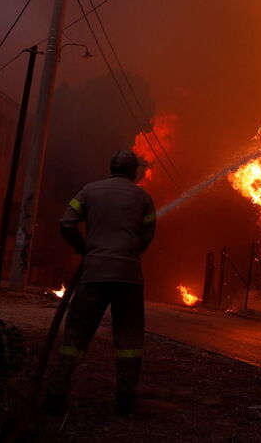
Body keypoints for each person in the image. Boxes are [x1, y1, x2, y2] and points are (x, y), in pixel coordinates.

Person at [46, 149, 157, 416]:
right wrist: (127, 253)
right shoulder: (143, 197)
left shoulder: (89, 191)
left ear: (111, 167)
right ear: (133, 171)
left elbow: (66, 223)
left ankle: (57, 393)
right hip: (129, 277)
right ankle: (126, 398)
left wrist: (85, 249)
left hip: (94, 273)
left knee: (75, 336)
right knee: (129, 341)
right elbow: (147, 234)